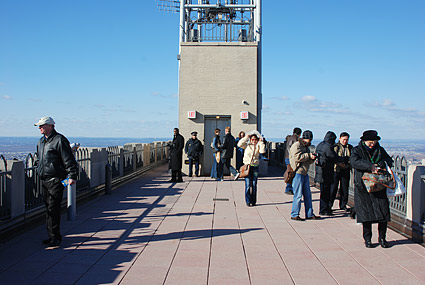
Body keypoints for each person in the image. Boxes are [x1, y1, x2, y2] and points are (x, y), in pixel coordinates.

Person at [34, 116, 78, 248]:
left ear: (50, 126)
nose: (40, 128)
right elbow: (38, 158)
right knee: (48, 208)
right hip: (45, 179)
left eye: (42, 125)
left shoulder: (59, 140)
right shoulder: (41, 142)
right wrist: (38, 167)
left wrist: (72, 176)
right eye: (39, 126)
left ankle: (55, 237)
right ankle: (51, 236)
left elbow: (68, 159)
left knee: (53, 207)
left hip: (57, 180)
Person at [351, 130, 393, 248]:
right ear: (364, 141)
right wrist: (370, 166)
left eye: (374, 142)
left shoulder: (380, 150)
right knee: (366, 215)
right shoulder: (357, 150)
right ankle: (368, 239)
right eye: (370, 142)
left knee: (383, 214)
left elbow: (389, 160)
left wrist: (381, 164)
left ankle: (382, 238)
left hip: (379, 186)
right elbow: (354, 162)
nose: (372, 144)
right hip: (363, 187)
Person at [289, 130, 320, 221]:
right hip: (298, 172)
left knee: (308, 195)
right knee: (298, 195)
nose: (309, 142)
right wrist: (308, 155)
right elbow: (297, 157)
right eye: (308, 140)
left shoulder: (305, 146)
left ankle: (309, 214)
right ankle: (294, 214)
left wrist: (312, 158)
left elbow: (307, 160)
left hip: (305, 173)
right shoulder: (297, 145)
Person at [315, 131, 343, 216]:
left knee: (323, 191)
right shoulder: (328, 146)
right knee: (326, 192)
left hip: (320, 171)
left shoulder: (320, 144)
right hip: (326, 172)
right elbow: (333, 157)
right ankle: (324, 210)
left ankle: (323, 209)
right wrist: (343, 159)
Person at [237, 132, 265, 206]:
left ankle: (253, 201)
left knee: (254, 184)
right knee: (248, 184)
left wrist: (261, 142)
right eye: (252, 139)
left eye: (255, 139)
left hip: (255, 166)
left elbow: (262, 151)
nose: (254, 141)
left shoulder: (258, 145)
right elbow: (239, 144)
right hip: (247, 166)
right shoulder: (247, 145)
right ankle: (248, 201)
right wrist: (246, 137)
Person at [329, 132, 353, 212]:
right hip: (336, 170)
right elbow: (333, 157)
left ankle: (343, 205)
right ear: (340, 139)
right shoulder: (335, 147)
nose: (345, 141)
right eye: (344, 139)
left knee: (345, 188)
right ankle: (330, 205)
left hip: (345, 170)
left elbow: (352, 159)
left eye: (346, 140)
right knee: (333, 188)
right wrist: (339, 163)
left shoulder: (350, 148)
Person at [283, 127, 302, 195]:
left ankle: (289, 187)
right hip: (290, 158)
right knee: (291, 173)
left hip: (287, 157)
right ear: (299, 134)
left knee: (289, 172)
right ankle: (288, 188)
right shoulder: (295, 140)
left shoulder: (290, 138)